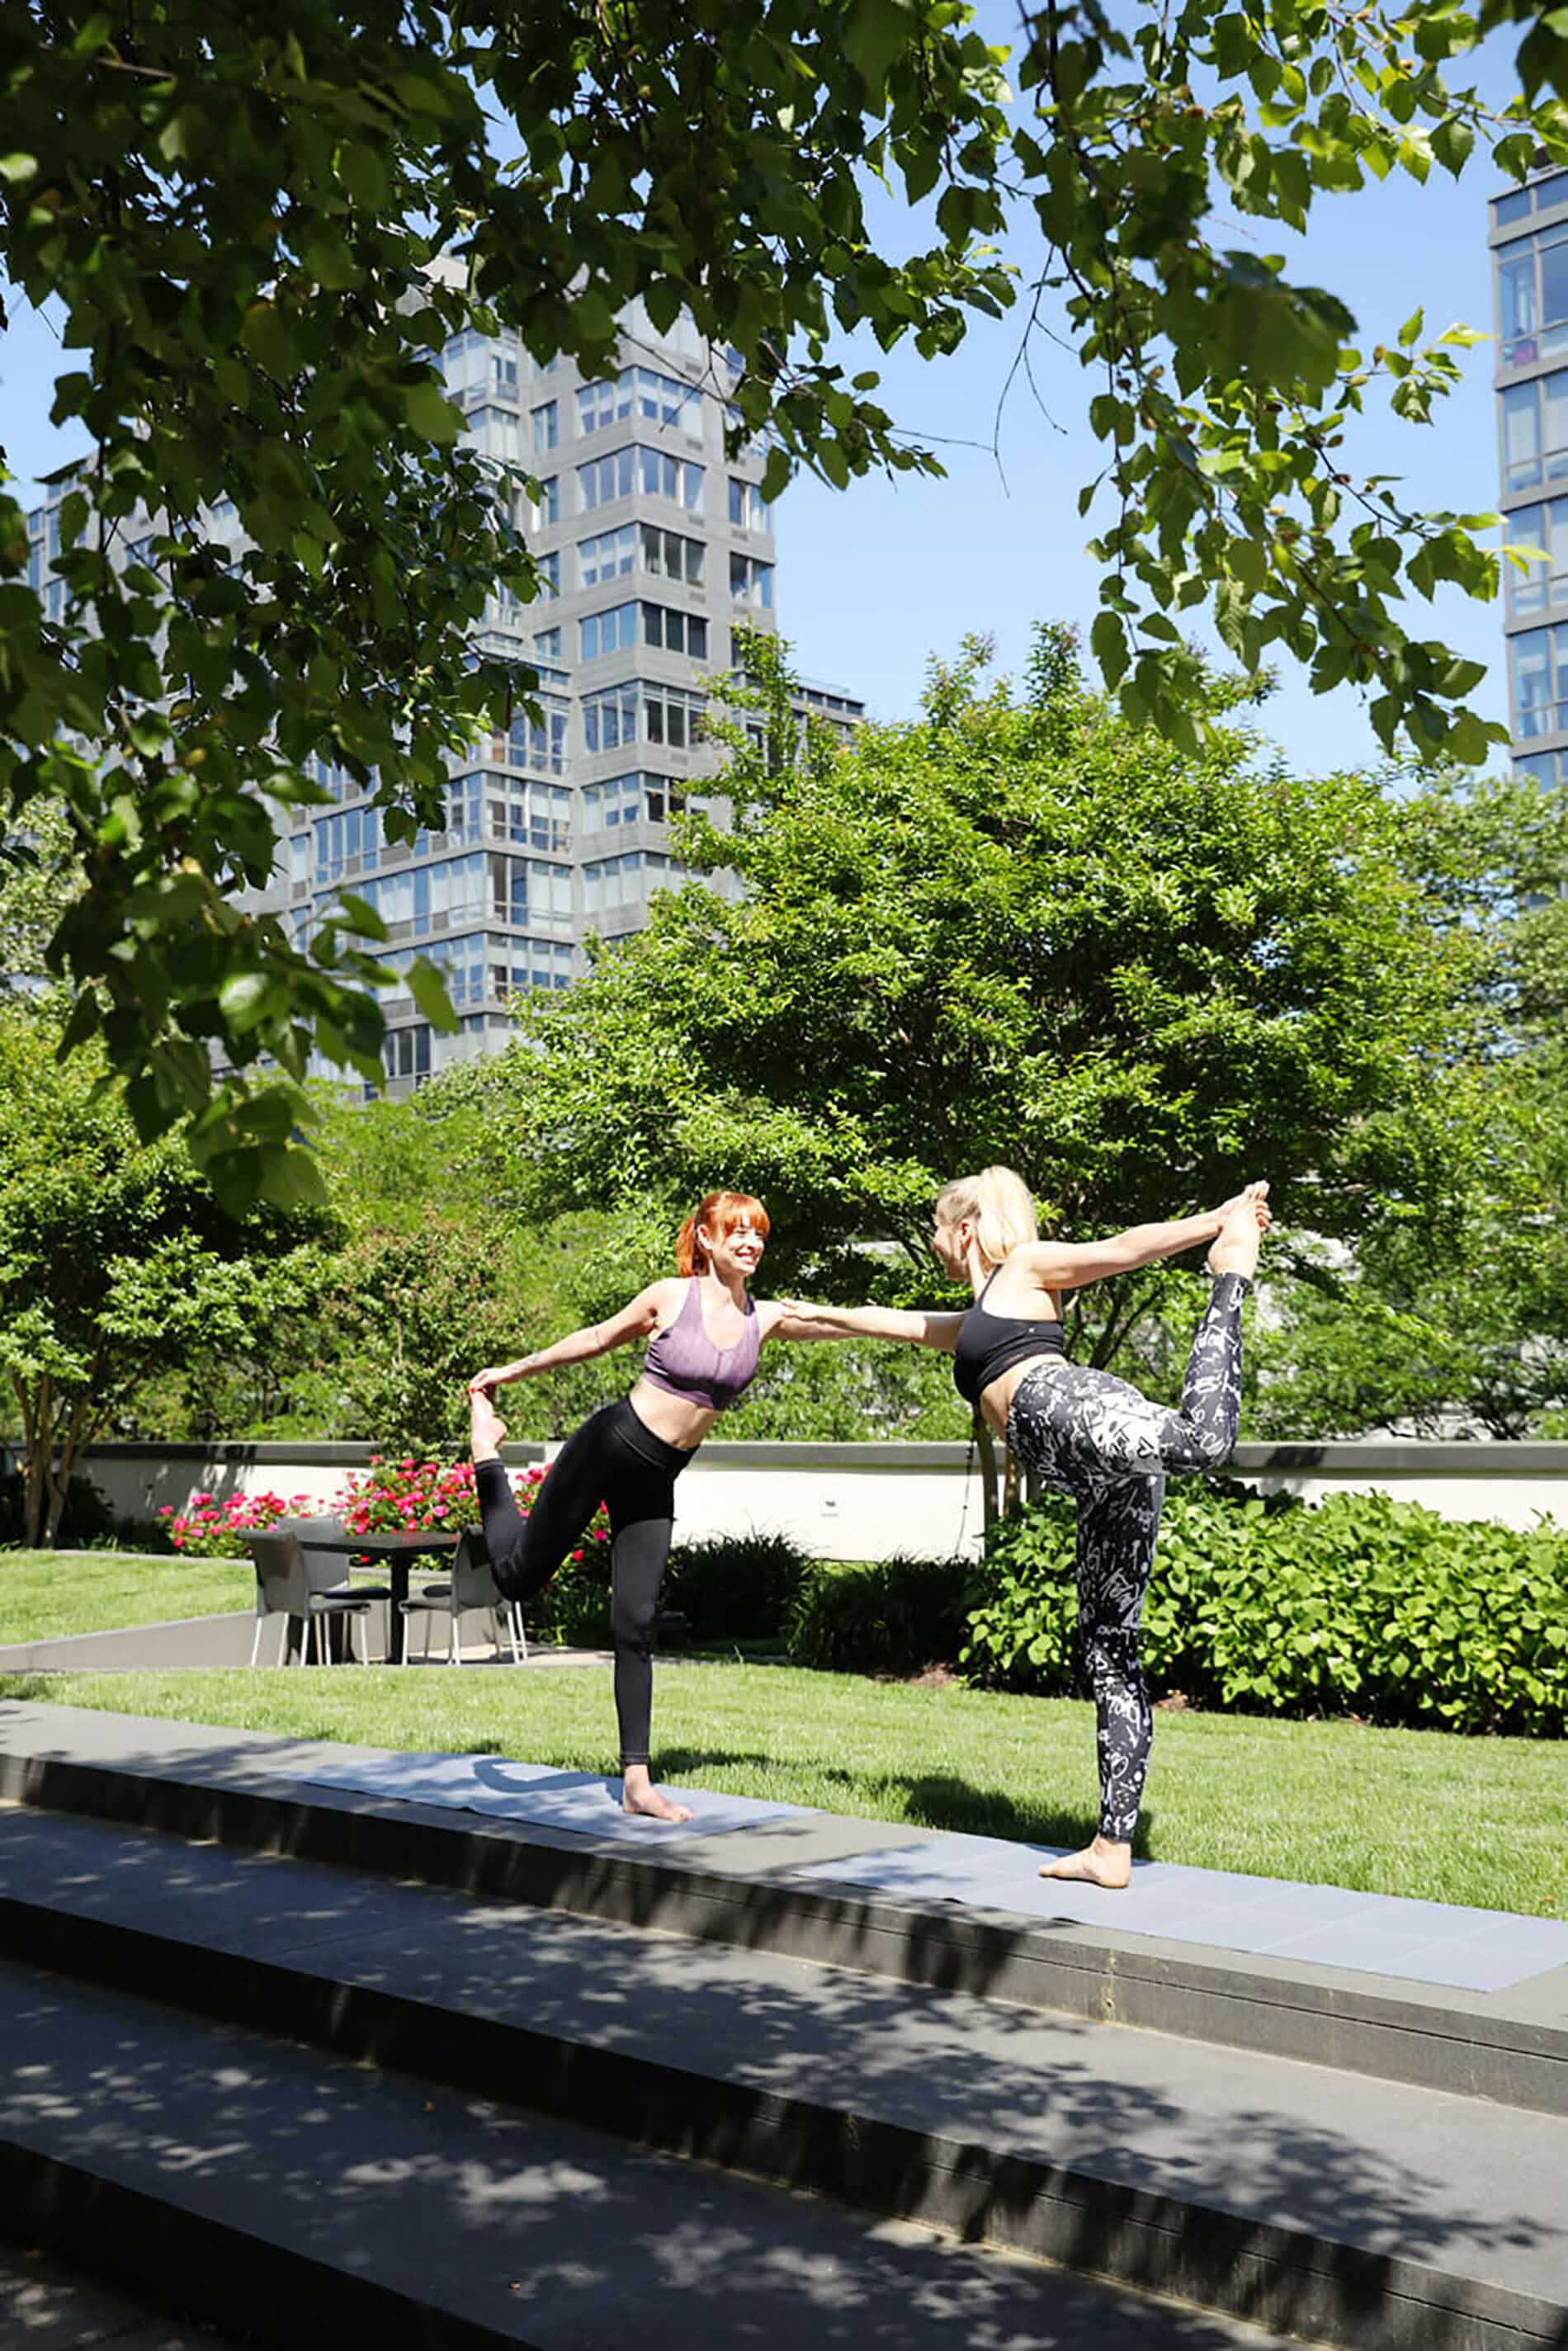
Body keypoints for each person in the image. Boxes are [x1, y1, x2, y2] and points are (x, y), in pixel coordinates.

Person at [781, 1171, 1270, 1886]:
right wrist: (796, 1315)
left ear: (966, 1229)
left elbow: (1124, 1248)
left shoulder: (1025, 1268)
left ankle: (1232, 1278)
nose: (933, 1241)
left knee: (1202, 1440)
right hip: (1089, 1473)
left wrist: (1218, 1219)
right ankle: (1112, 1847)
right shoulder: (976, 1316)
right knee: (1109, 1649)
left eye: (937, 1229)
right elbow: (885, 1317)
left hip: (1067, 1408)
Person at [466, 1190, 838, 1825]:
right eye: (737, 1232)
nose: (751, 1243)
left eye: (759, 1234)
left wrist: (942, 1328)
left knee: (635, 1625)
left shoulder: (766, 1315)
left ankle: (636, 1781)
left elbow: (843, 1321)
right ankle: (484, 1451)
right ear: (708, 1240)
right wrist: (510, 1371)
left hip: (658, 1476)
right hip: (610, 1445)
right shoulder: (671, 1296)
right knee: (516, 1578)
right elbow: (594, 1339)